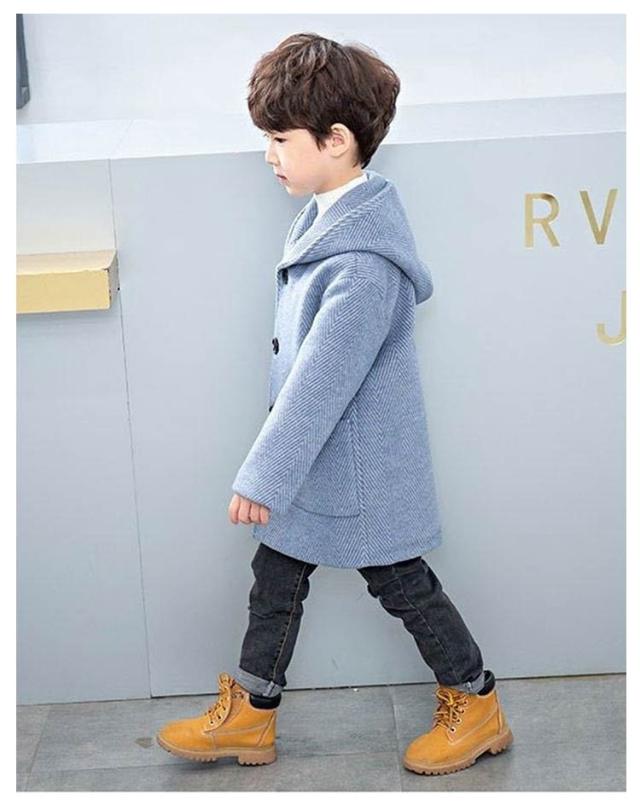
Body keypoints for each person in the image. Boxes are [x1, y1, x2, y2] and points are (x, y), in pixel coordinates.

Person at [156, 32, 513, 776]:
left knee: (403, 585)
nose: (269, 155)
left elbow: (319, 384)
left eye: (281, 139)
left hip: (357, 472)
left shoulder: (362, 264)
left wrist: (263, 476)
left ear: (337, 140)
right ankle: (253, 714)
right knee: (276, 580)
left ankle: (476, 701)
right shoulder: (325, 220)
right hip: (321, 465)